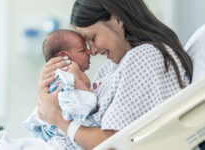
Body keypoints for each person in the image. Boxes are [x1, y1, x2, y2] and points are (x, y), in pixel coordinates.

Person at [37, 0, 193, 150]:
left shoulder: (144, 57)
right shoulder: (111, 68)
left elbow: (114, 143)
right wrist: (50, 89)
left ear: (117, 19)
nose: (92, 51)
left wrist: (56, 118)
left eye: (92, 38)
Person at [23, 29, 98, 150]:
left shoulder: (54, 75)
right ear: (64, 56)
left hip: (54, 128)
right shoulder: (72, 68)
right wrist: (93, 94)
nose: (89, 51)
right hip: (67, 123)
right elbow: (86, 97)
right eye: (82, 50)